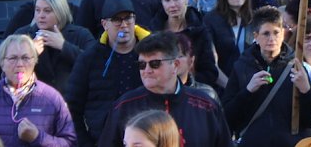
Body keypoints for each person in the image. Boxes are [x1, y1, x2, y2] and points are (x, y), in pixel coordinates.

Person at [98, 32, 231, 147]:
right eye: (142, 65)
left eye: (155, 64)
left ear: (175, 65)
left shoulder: (205, 106)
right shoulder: (124, 107)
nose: (147, 71)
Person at [223, 6, 311, 147]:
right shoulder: (241, 66)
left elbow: (310, 120)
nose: (272, 39)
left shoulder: (296, 66)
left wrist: (306, 91)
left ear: (283, 33)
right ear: (256, 36)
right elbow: (227, 117)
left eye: (276, 32)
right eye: (266, 33)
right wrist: (248, 91)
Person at [63, 0, 149, 147]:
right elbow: (71, 108)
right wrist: (86, 143)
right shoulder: (89, 58)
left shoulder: (151, 54)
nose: (123, 25)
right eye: (116, 19)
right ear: (104, 24)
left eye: (128, 18)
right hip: (103, 140)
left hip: (146, 138)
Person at [0, 34, 76, 146]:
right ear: (2, 63)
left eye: (26, 58)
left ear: (35, 61)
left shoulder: (52, 98)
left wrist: (38, 138)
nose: (20, 64)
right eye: (13, 58)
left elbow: (70, 143)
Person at [13, 0, 96, 94]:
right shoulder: (22, 35)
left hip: (72, 102)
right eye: (37, 10)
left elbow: (96, 64)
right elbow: (6, 71)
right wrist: (29, 54)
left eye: (47, 11)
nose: (41, 15)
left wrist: (64, 46)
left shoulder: (80, 34)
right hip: (33, 101)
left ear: (60, 12)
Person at [151, 0, 218, 86]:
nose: (172, 5)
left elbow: (210, 72)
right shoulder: (154, 32)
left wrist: (187, 80)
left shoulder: (200, 30)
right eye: (167, 0)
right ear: (162, 3)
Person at [202, 0, 253, 89]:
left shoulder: (254, 20)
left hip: (252, 87)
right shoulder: (211, 20)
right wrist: (231, 88)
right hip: (223, 88)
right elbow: (210, 62)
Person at [173, 32, 219, 103]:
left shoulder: (207, 94)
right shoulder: (154, 94)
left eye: (180, 56)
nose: (175, 61)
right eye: (170, 56)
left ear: (191, 60)